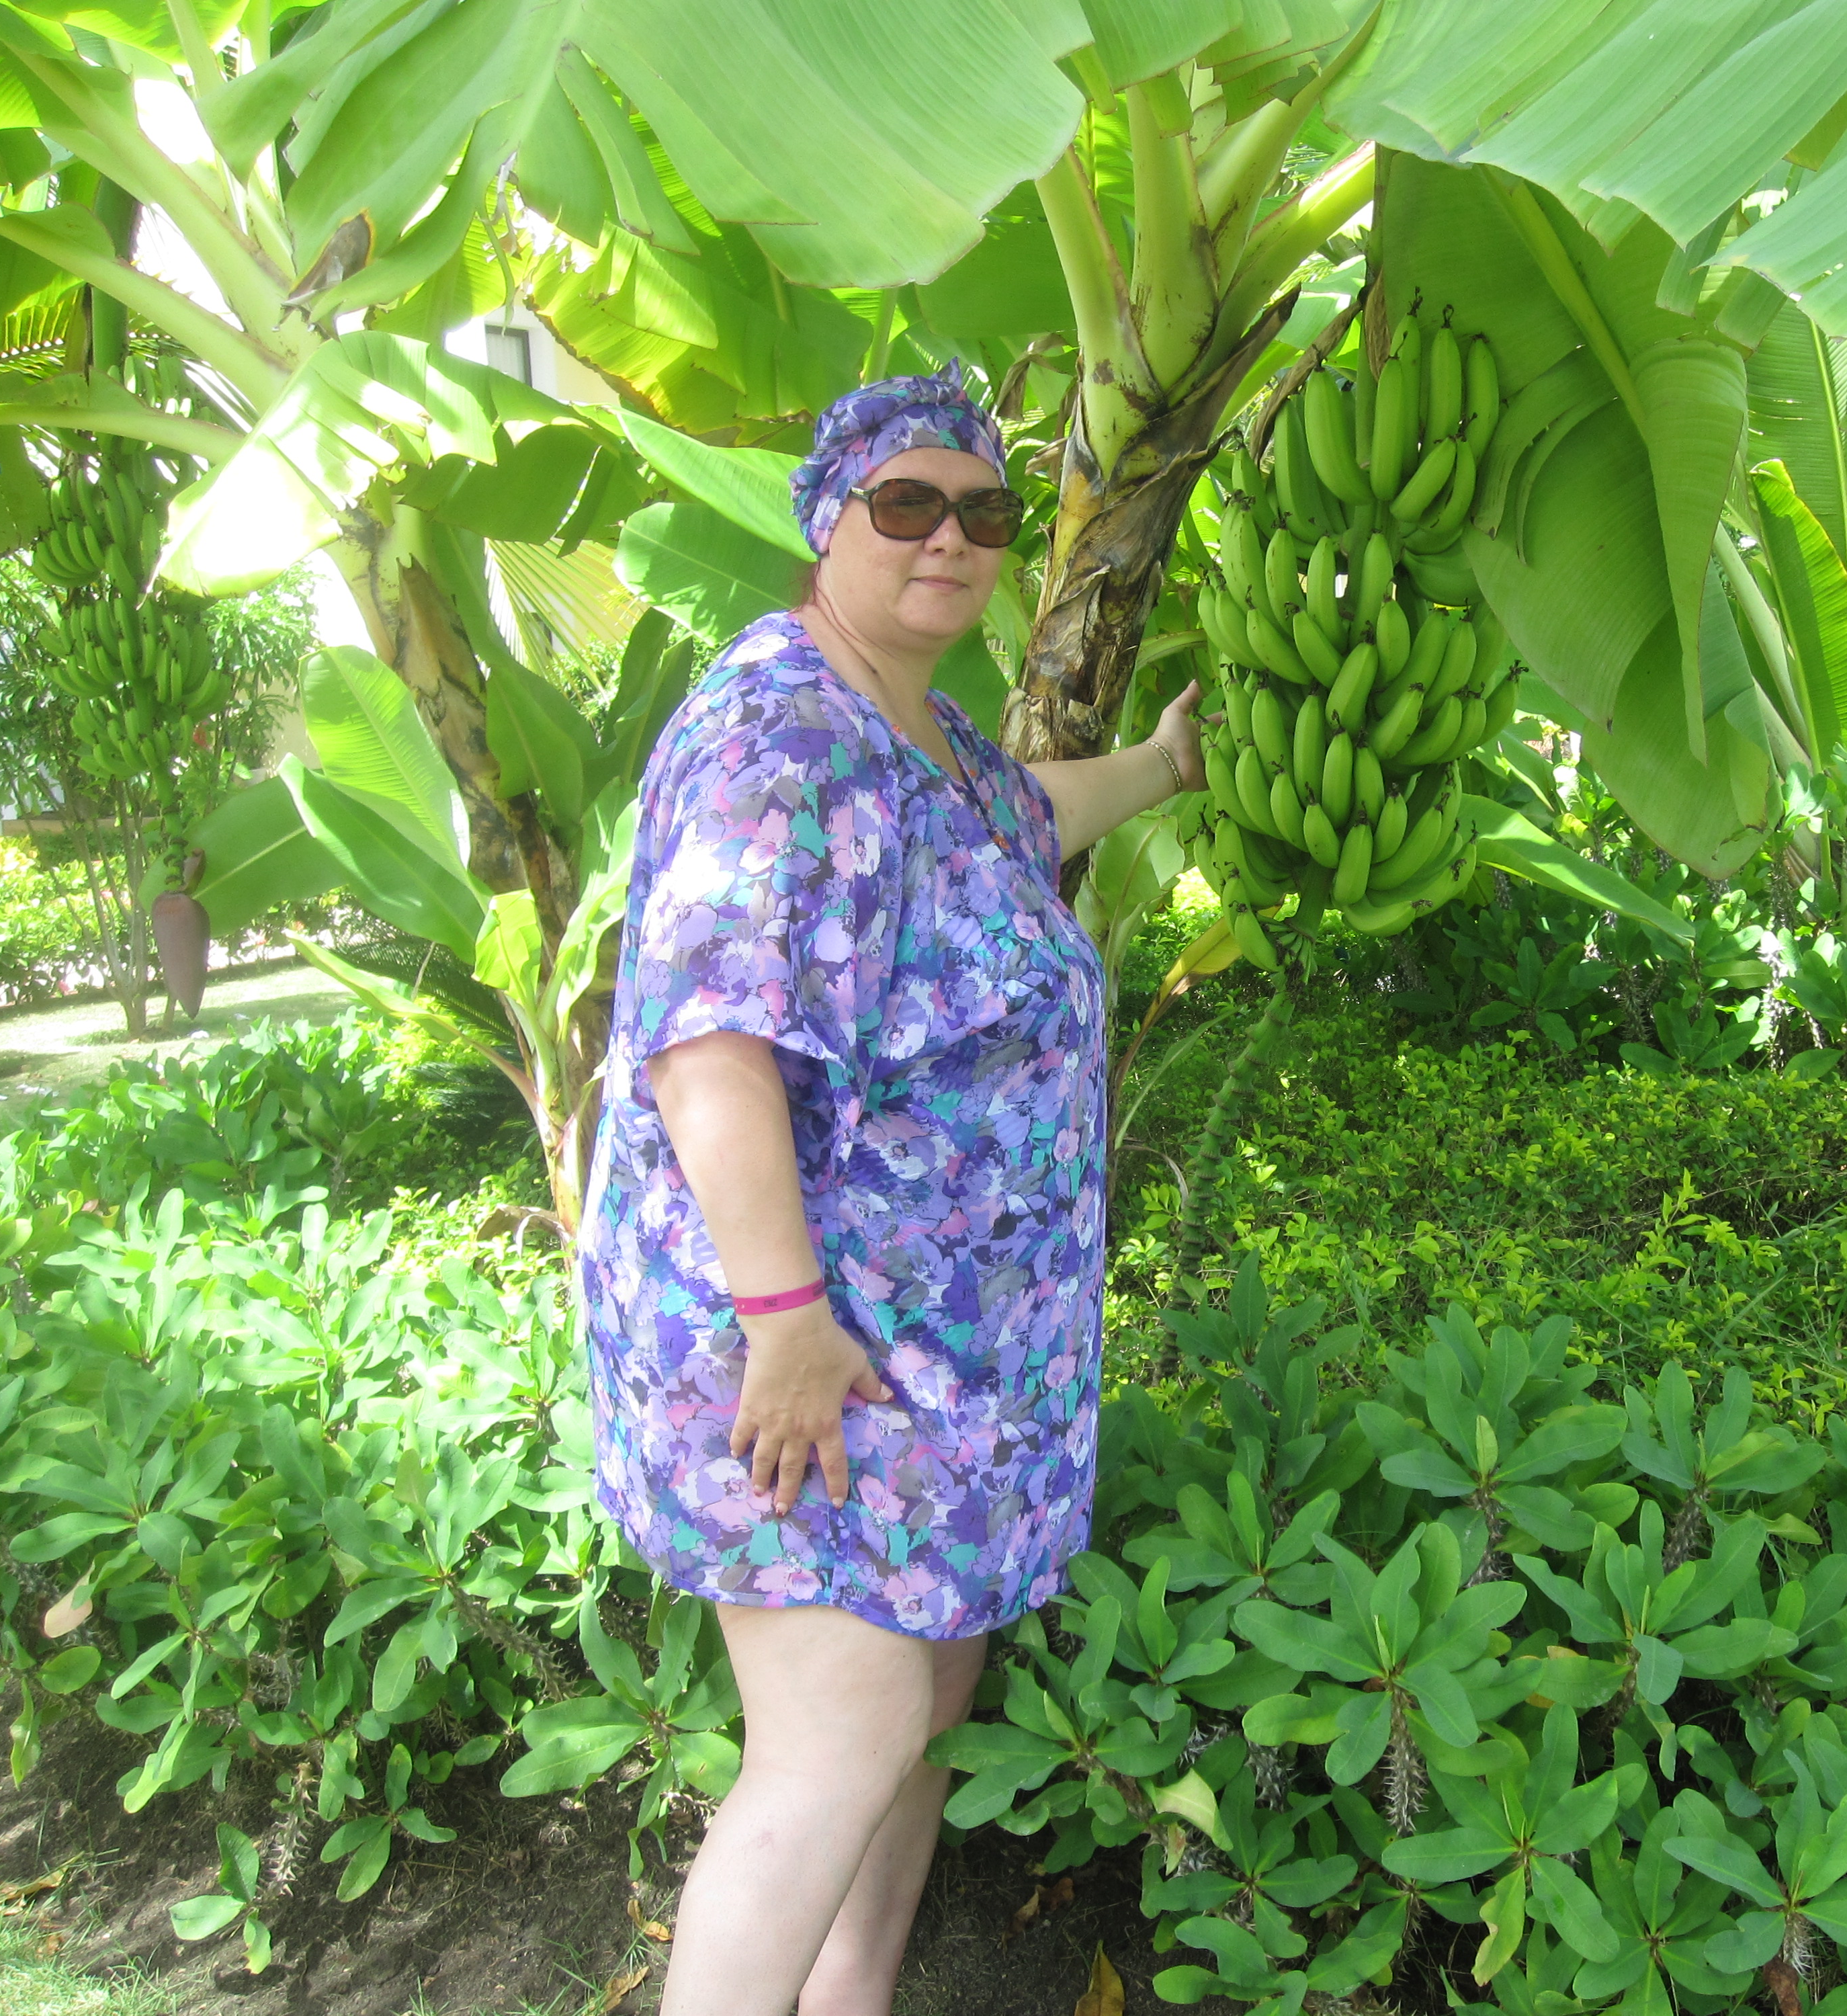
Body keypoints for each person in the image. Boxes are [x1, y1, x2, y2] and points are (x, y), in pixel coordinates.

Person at [575, 361, 1207, 2016]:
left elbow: (1023, 814)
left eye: (983, 514)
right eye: (906, 504)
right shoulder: (774, 733)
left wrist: (1158, 766)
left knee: (917, 1725)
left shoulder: (917, 732)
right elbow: (704, 1050)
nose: (949, 539)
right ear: (826, 522)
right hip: (817, 1354)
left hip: (942, 1365)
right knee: (835, 1748)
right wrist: (785, 1321)